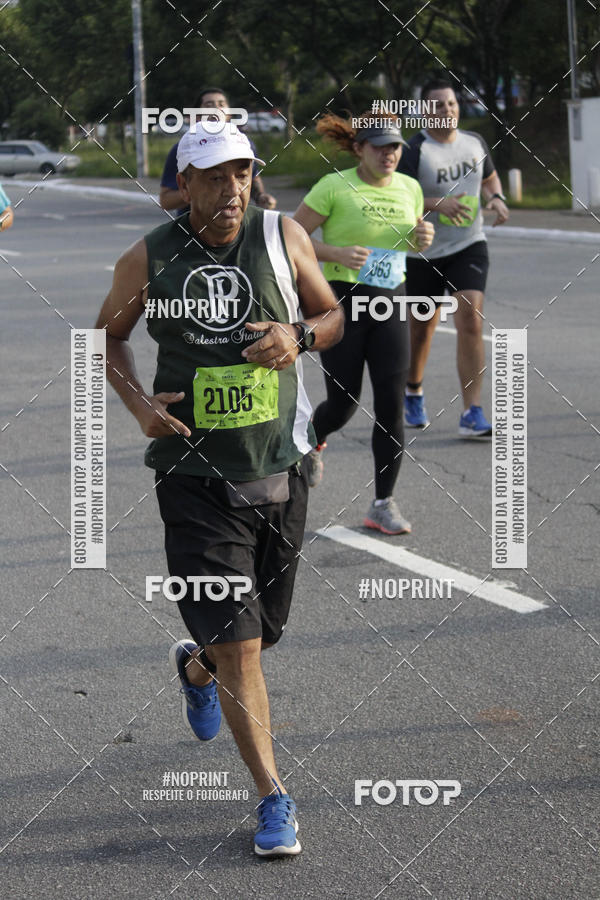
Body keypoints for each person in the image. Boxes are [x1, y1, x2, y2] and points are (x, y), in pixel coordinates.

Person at [96, 121, 342, 857]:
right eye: (213, 176)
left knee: (259, 635)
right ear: (185, 185)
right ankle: (272, 795)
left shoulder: (282, 237)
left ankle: (194, 665)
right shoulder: (148, 257)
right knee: (243, 652)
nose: (231, 188)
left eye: (241, 173)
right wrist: (140, 406)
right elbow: (106, 337)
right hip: (194, 479)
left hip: (280, 466)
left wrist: (300, 336)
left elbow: (334, 314)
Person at [293, 113, 434, 535]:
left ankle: (382, 503)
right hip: (342, 304)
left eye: (394, 147)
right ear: (359, 149)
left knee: (390, 405)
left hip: (390, 304)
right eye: (379, 147)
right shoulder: (334, 186)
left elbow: (407, 241)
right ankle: (312, 441)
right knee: (344, 402)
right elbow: (292, 237)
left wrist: (420, 240)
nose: (389, 154)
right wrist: (334, 254)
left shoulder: (410, 187)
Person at [397, 79, 509, 437]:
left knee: (471, 319)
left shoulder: (473, 143)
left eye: (451, 104)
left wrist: (497, 199)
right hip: (423, 251)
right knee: (421, 329)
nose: (446, 110)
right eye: (438, 105)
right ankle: (413, 388)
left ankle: (471, 411)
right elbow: (398, 199)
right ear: (424, 112)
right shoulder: (415, 151)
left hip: (469, 244)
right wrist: (435, 204)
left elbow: (490, 179)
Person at [159, 86, 277, 216]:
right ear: (197, 115)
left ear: (229, 113)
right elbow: (165, 201)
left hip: (234, 226)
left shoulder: (243, 144)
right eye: (209, 105)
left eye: (221, 104)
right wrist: (201, 190)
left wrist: (260, 196)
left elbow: (253, 178)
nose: (216, 108)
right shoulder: (183, 149)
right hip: (194, 230)